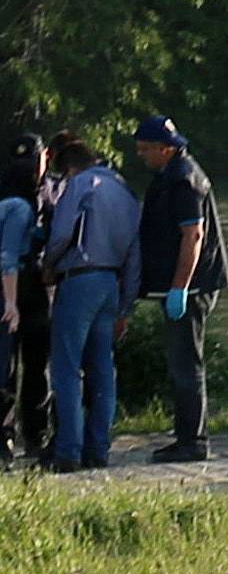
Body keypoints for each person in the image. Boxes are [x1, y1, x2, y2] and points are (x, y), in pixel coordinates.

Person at [132, 114, 228, 466]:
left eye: (146, 149)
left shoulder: (184, 180)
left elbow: (194, 236)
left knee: (186, 363)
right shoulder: (170, 175)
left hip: (192, 287)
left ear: (167, 149)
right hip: (185, 285)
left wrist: (180, 289)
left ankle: (194, 441)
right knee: (181, 362)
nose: (141, 155)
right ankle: (186, 436)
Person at [40, 137, 142, 472]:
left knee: (67, 367)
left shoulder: (80, 185)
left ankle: (68, 450)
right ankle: (98, 449)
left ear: (69, 167)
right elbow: (134, 255)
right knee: (102, 368)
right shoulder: (124, 190)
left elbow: (61, 234)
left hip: (79, 278)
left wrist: (49, 266)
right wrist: (126, 305)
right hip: (111, 283)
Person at [0, 134, 51, 468]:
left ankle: (11, 438)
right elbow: (8, 258)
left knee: (10, 366)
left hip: (22, 288)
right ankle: (29, 437)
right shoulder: (21, 205)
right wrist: (11, 303)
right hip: (18, 290)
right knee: (30, 365)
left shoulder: (12, 194)